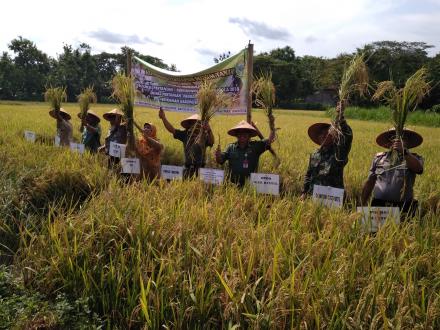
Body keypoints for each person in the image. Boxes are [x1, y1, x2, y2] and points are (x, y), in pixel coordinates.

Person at [361, 128, 424, 217]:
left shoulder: (414, 158)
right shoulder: (379, 158)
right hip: (379, 205)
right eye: (393, 138)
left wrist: (404, 152)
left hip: (402, 207)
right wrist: (362, 203)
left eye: (402, 139)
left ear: (408, 142)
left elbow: (419, 169)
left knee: (402, 230)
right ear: (389, 142)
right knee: (374, 230)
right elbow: (370, 182)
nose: (397, 141)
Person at [301, 102, 353, 199]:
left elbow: (347, 137)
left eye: (327, 134)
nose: (323, 136)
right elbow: (308, 175)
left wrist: (340, 117)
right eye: (321, 134)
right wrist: (304, 192)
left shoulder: (338, 153)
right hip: (314, 197)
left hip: (333, 198)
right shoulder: (315, 154)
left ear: (334, 137)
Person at [215, 120, 275, 186]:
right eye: (239, 133)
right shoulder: (230, 147)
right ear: (236, 135)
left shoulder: (256, 146)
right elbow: (220, 160)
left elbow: (269, 141)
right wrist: (218, 156)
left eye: (245, 133)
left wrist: (272, 130)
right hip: (232, 185)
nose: (242, 135)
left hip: (251, 186)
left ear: (249, 135)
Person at [158, 108, 214, 178]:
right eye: (193, 123)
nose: (195, 125)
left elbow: (211, 142)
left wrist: (209, 130)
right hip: (188, 167)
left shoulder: (204, 135)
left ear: (201, 125)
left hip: (201, 169)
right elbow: (172, 130)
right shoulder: (185, 134)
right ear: (189, 125)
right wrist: (163, 118)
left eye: (198, 123)